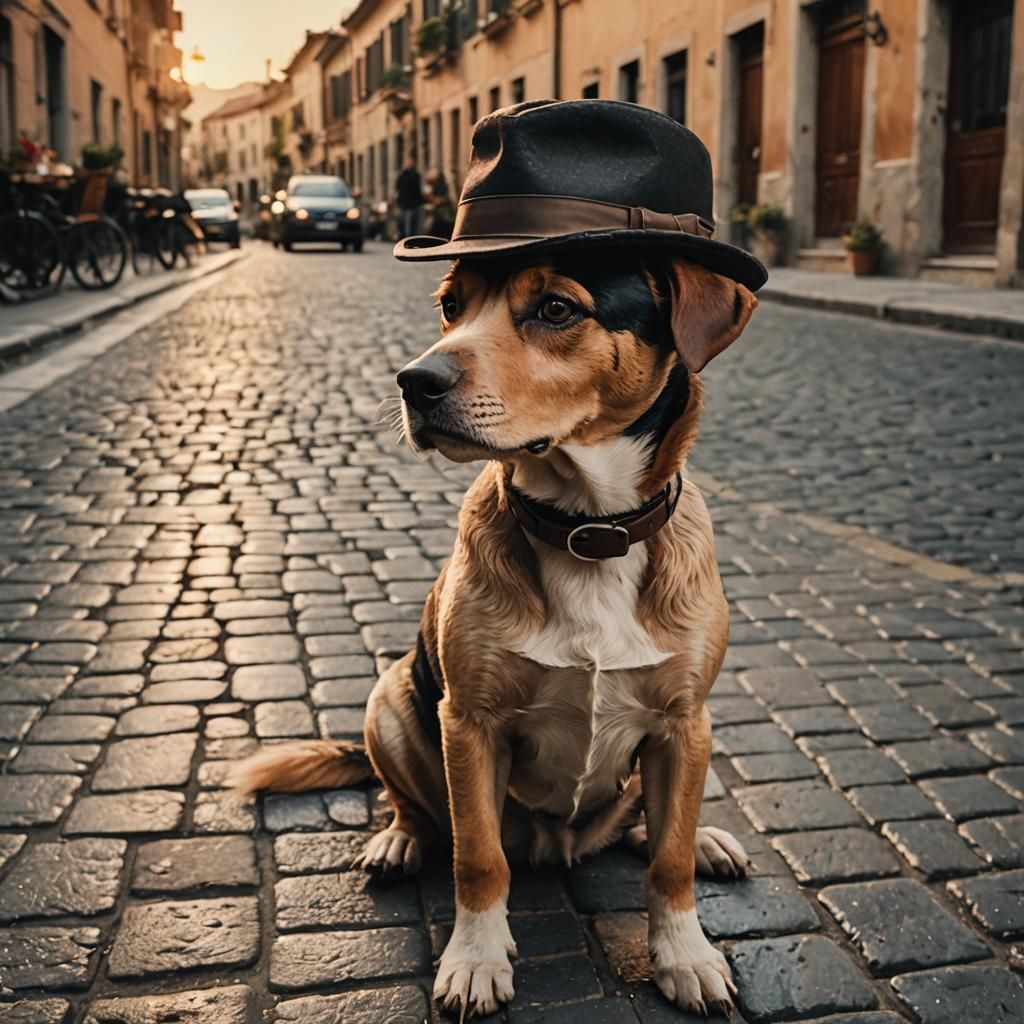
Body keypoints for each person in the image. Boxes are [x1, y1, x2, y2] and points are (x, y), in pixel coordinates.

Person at [395, 158, 423, 238]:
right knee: (408, 223)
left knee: (414, 223)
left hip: (414, 203)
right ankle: (408, 239)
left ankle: (414, 238)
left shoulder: (415, 175)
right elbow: (398, 189)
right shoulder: (403, 176)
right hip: (407, 204)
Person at [425, 169, 455, 240]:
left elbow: (443, 198)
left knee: (439, 230)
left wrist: (435, 199)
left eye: (433, 173)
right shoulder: (435, 184)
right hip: (441, 212)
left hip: (443, 213)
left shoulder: (440, 184)